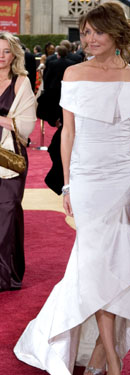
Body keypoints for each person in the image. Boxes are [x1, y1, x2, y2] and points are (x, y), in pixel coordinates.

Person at [14, 3, 130, 375]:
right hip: (89, 178)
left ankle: (100, 346)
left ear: (116, 34)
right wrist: (70, 185)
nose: (88, 39)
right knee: (96, 261)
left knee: (112, 258)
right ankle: (112, 357)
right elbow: (68, 134)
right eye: (84, 33)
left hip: (122, 175)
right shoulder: (74, 73)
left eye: (96, 32)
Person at [0, 32, 36, 291]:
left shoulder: (21, 82)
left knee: (9, 210)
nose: (0, 56)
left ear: (14, 54)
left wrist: (3, 121)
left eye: (6, 51)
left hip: (10, 155)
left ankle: (6, 273)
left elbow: (27, 124)